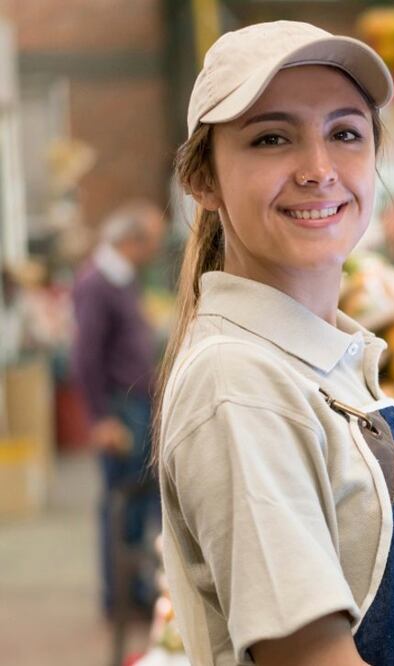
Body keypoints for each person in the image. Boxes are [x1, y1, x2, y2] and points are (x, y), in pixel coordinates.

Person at [155, 21, 394, 666]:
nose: (319, 170)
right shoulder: (240, 384)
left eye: (345, 134)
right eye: (272, 138)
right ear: (203, 182)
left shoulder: (323, 359)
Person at [72, 200, 166, 616]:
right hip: (119, 406)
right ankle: (123, 598)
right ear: (131, 241)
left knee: (137, 501)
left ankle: (135, 590)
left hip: (133, 401)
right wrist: (100, 418)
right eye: (150, 244)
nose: (153, 253)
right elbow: (85, 355)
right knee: (123, 501)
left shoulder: (119, 279)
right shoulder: (99, 283)